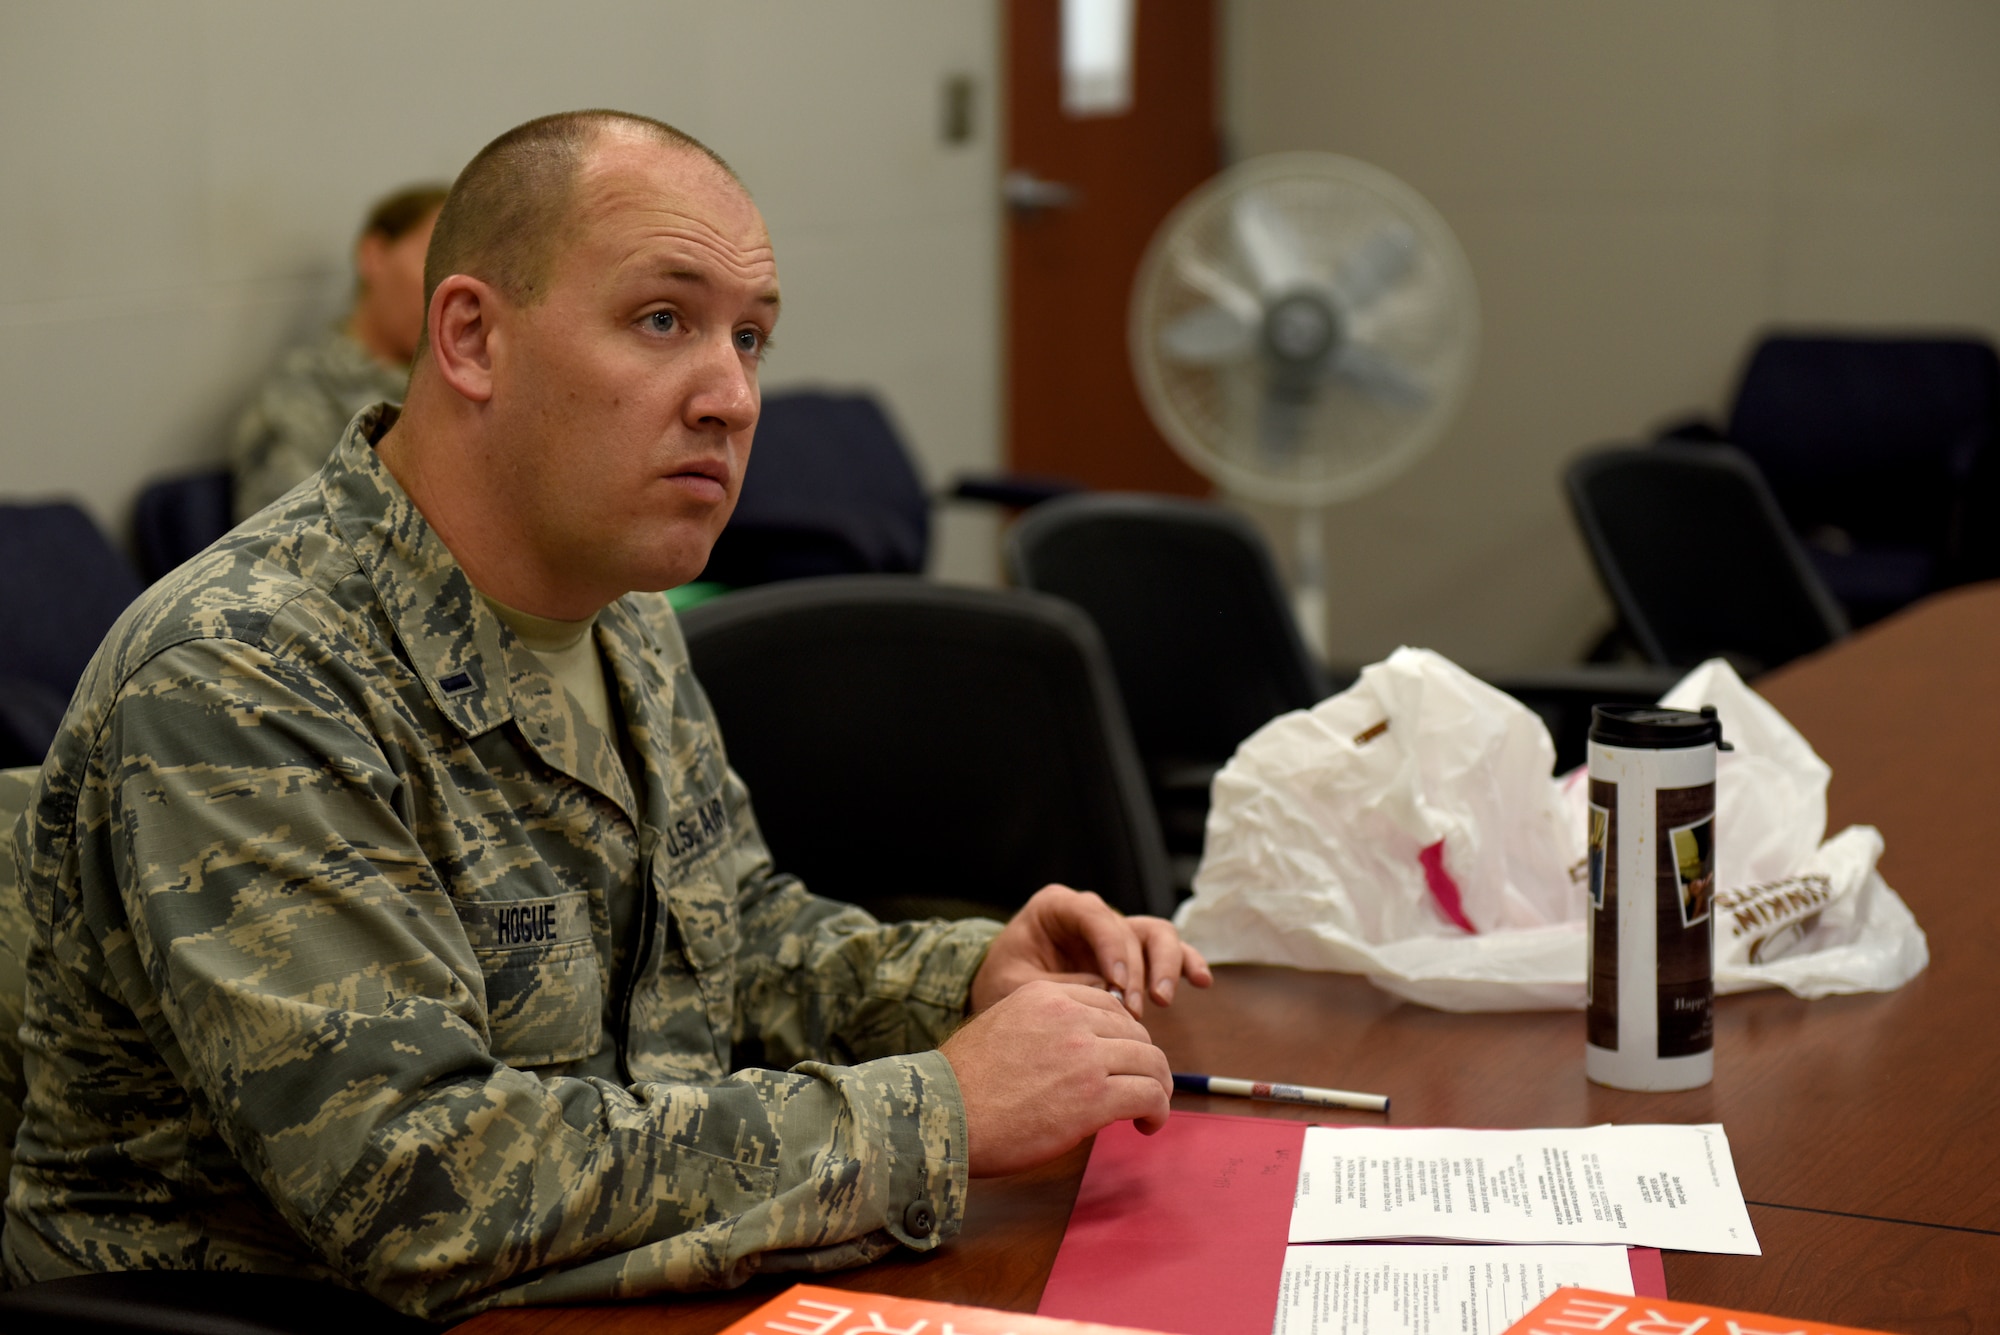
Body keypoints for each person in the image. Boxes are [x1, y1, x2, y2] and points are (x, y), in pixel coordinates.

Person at [2, 111, 1208, 1322]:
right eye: (663, 320)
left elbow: (725, 934)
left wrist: (957, 984)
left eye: (751, 339)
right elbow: (418, 1184)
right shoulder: (243, 669)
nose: (730, 395)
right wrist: (939, 1110)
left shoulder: (615, 611)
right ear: (471, 338)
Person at [227, 183, 449, 521]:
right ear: (374, 256)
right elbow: (289, 549)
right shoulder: (302, 394)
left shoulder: (462, 385)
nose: (447, 288)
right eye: (435, 261)